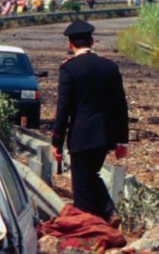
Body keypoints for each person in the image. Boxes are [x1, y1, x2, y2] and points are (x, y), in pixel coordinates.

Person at [51, 20, 129, 223]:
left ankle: (95, 222)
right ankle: (108, 213)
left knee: (82, 187)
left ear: (70, 44)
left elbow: (63, 108)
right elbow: (120, 105)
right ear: (92, 41)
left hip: (81, 136)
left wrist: (57, 141)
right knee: (90, 176)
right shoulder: (109, 66)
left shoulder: (69, 69)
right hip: (105, 136)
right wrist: (122, 140)